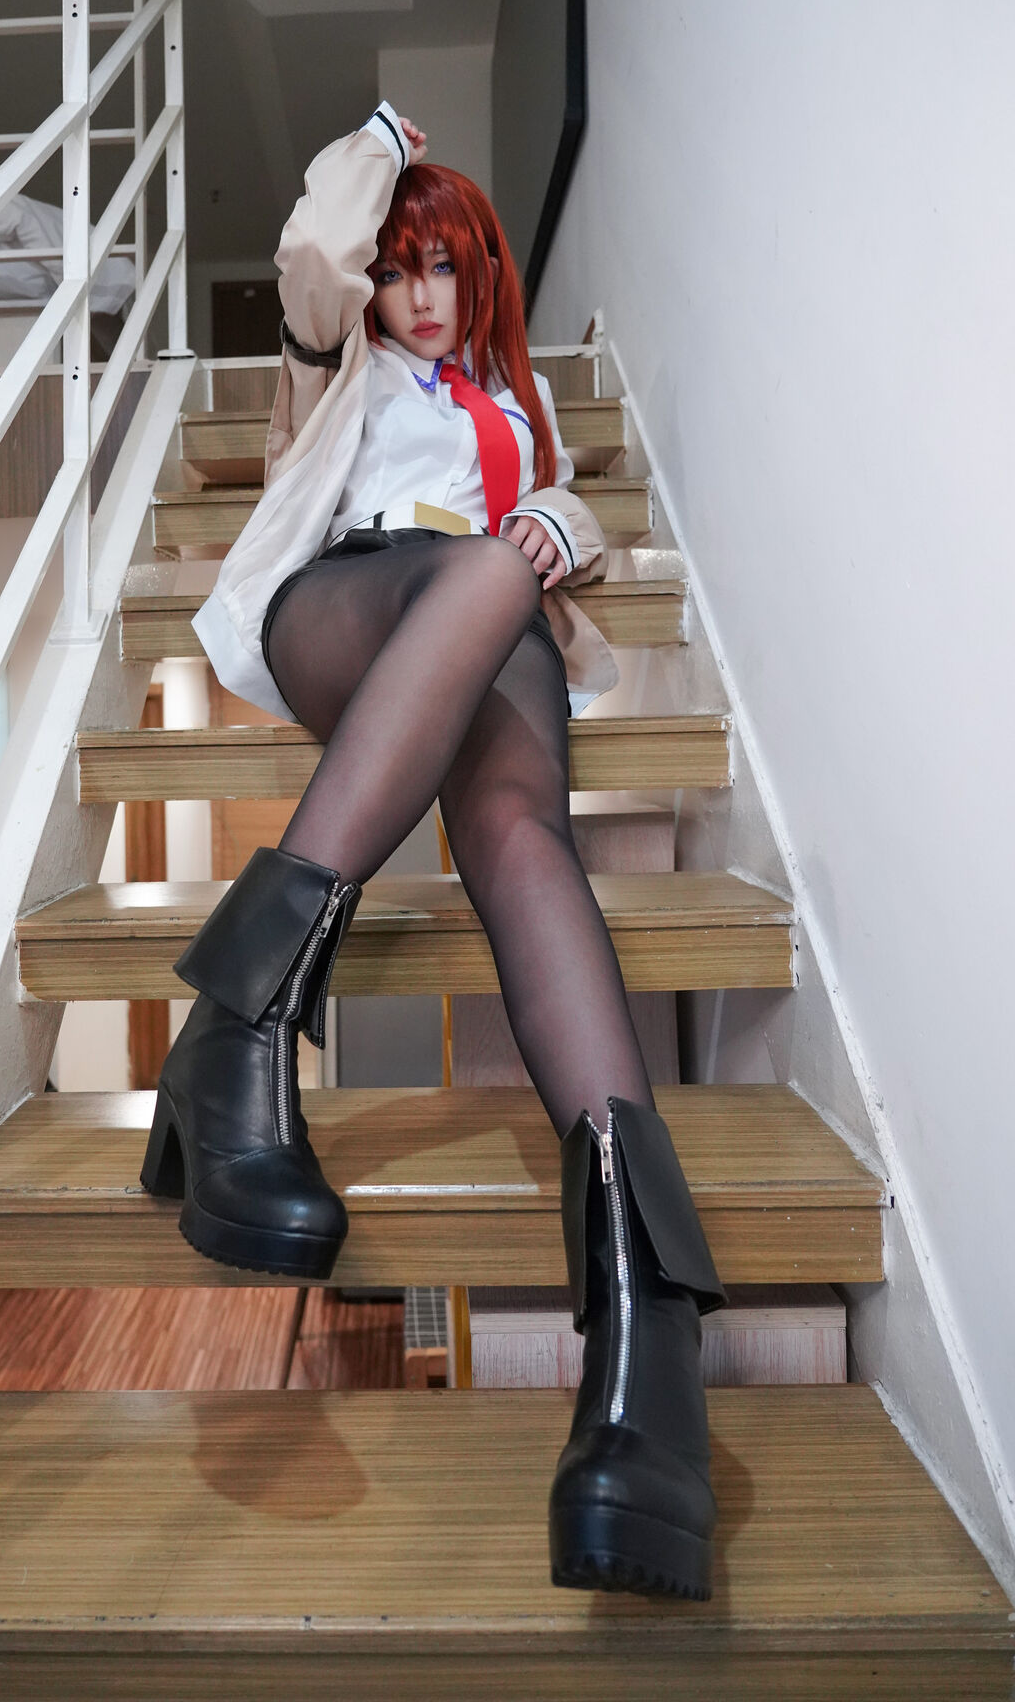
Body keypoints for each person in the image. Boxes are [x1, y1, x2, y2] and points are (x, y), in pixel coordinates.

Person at [140, 103, 726, 1599]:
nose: (415, 293)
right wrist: (390, 142)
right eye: (401, 269)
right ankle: (243, 1025)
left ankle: (645, 1345)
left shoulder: (520, 407)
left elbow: (556, 519)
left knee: (522, 828)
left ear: (484, 280)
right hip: (345, 608)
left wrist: (559, 528)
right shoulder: (334, 361)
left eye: (442, 267)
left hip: (488, 630)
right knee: (476, 575)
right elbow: (317, 248)